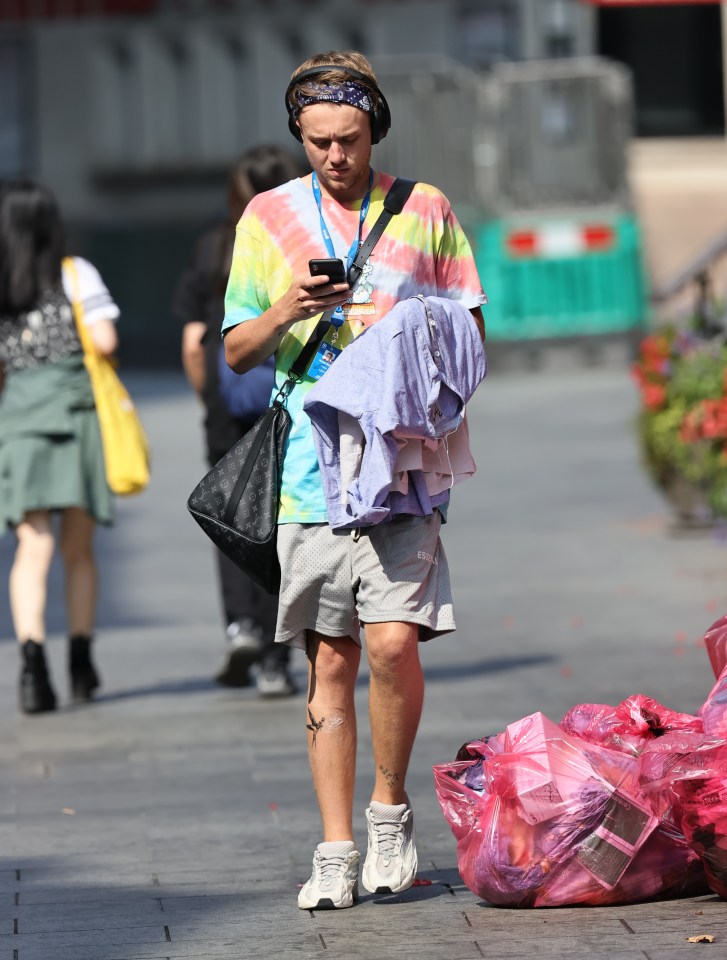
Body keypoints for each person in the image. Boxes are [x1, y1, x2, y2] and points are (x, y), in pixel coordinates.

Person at [222, 51, 486, 910]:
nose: (335, 157)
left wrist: (410, 323)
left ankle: (388, 812)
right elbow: (234, 351)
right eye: (317, 142)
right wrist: (287, 309)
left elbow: (475, 335)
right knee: (329, 659)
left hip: (401, 461)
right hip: (308, 469)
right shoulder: (267, 218)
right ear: (298, 135)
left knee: (391, 643)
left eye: (350, 138)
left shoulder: (426, 210)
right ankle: (334, 847)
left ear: (375, 127)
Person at [174, 145, 301, 698]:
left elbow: (193, 344)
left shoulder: (212, 248)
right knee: (283, 525)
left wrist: (210, 403)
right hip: (289, 400)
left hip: (228, 404)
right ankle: (276, 657)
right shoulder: (303, 247)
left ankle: (241, 626)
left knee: (230, 515)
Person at [0, 180, 119, 714]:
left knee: (32, 547)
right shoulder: (75, 274)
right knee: (78, 550)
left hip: (19, 422)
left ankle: (30, 666)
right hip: (75, 417)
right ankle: (80, 660)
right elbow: (105, 342)